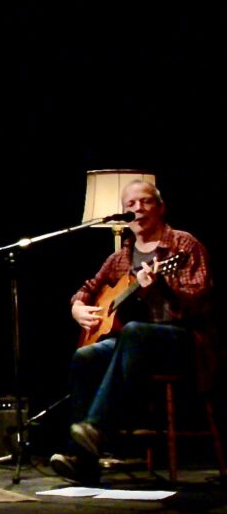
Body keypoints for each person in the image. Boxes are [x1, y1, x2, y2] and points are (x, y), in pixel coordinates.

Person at [50, 180, 215, 483]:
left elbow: (200, 302)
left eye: (146, 201)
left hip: (182, 343)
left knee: (135, 331)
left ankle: (98, 428)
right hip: (135, 347)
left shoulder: (184, 245)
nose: (138, 209)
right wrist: (77, 308)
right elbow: (88, 288)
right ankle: (83, 461)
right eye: (131, 204)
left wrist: (163, 288)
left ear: (161, 207)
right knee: (86, 356)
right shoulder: (121, 257)